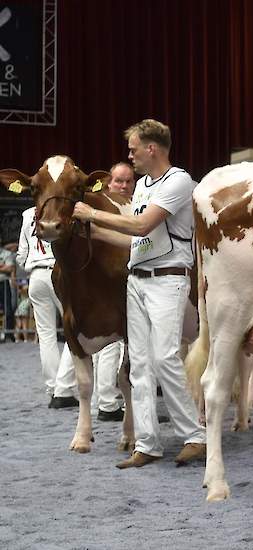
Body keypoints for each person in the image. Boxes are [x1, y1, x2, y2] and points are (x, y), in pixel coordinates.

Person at [72, 119, 205, 468]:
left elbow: (142, 224)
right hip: (138, 278)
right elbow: (135, 241)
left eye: (133, 148)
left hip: (168, 279)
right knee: (139, 366)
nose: (129, 155)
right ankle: (147, 443)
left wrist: (94, 214)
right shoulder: (144, 185)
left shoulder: (179, 181)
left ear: (152, 148)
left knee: (164, 358)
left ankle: (194, 435)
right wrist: (90, 232)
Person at [16, 207, 80, 408]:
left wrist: (32, 265)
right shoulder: (63, 210)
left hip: (36, 276)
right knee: (76, 330)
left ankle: (53, 387)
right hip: (59, 272)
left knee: (46, 336)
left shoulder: (27, 214)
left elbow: (21, 254)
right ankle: (63, 387)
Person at [90, 161, 137, 422]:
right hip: (107, 281)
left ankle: (108, 398)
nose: (124, 186)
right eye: (119, 181)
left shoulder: (137, 204)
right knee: (109, 343)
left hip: (130, 278)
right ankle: (107, 402)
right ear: (108, 182)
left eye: (129, 180)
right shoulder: (101, 207)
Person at [0, 240, 16, 343]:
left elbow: (10, 268)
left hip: (3, 284)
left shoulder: (7, 254)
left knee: (8, 310)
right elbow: (5, 267)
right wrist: (2, 267)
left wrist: (4, 268)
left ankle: (9, 335)